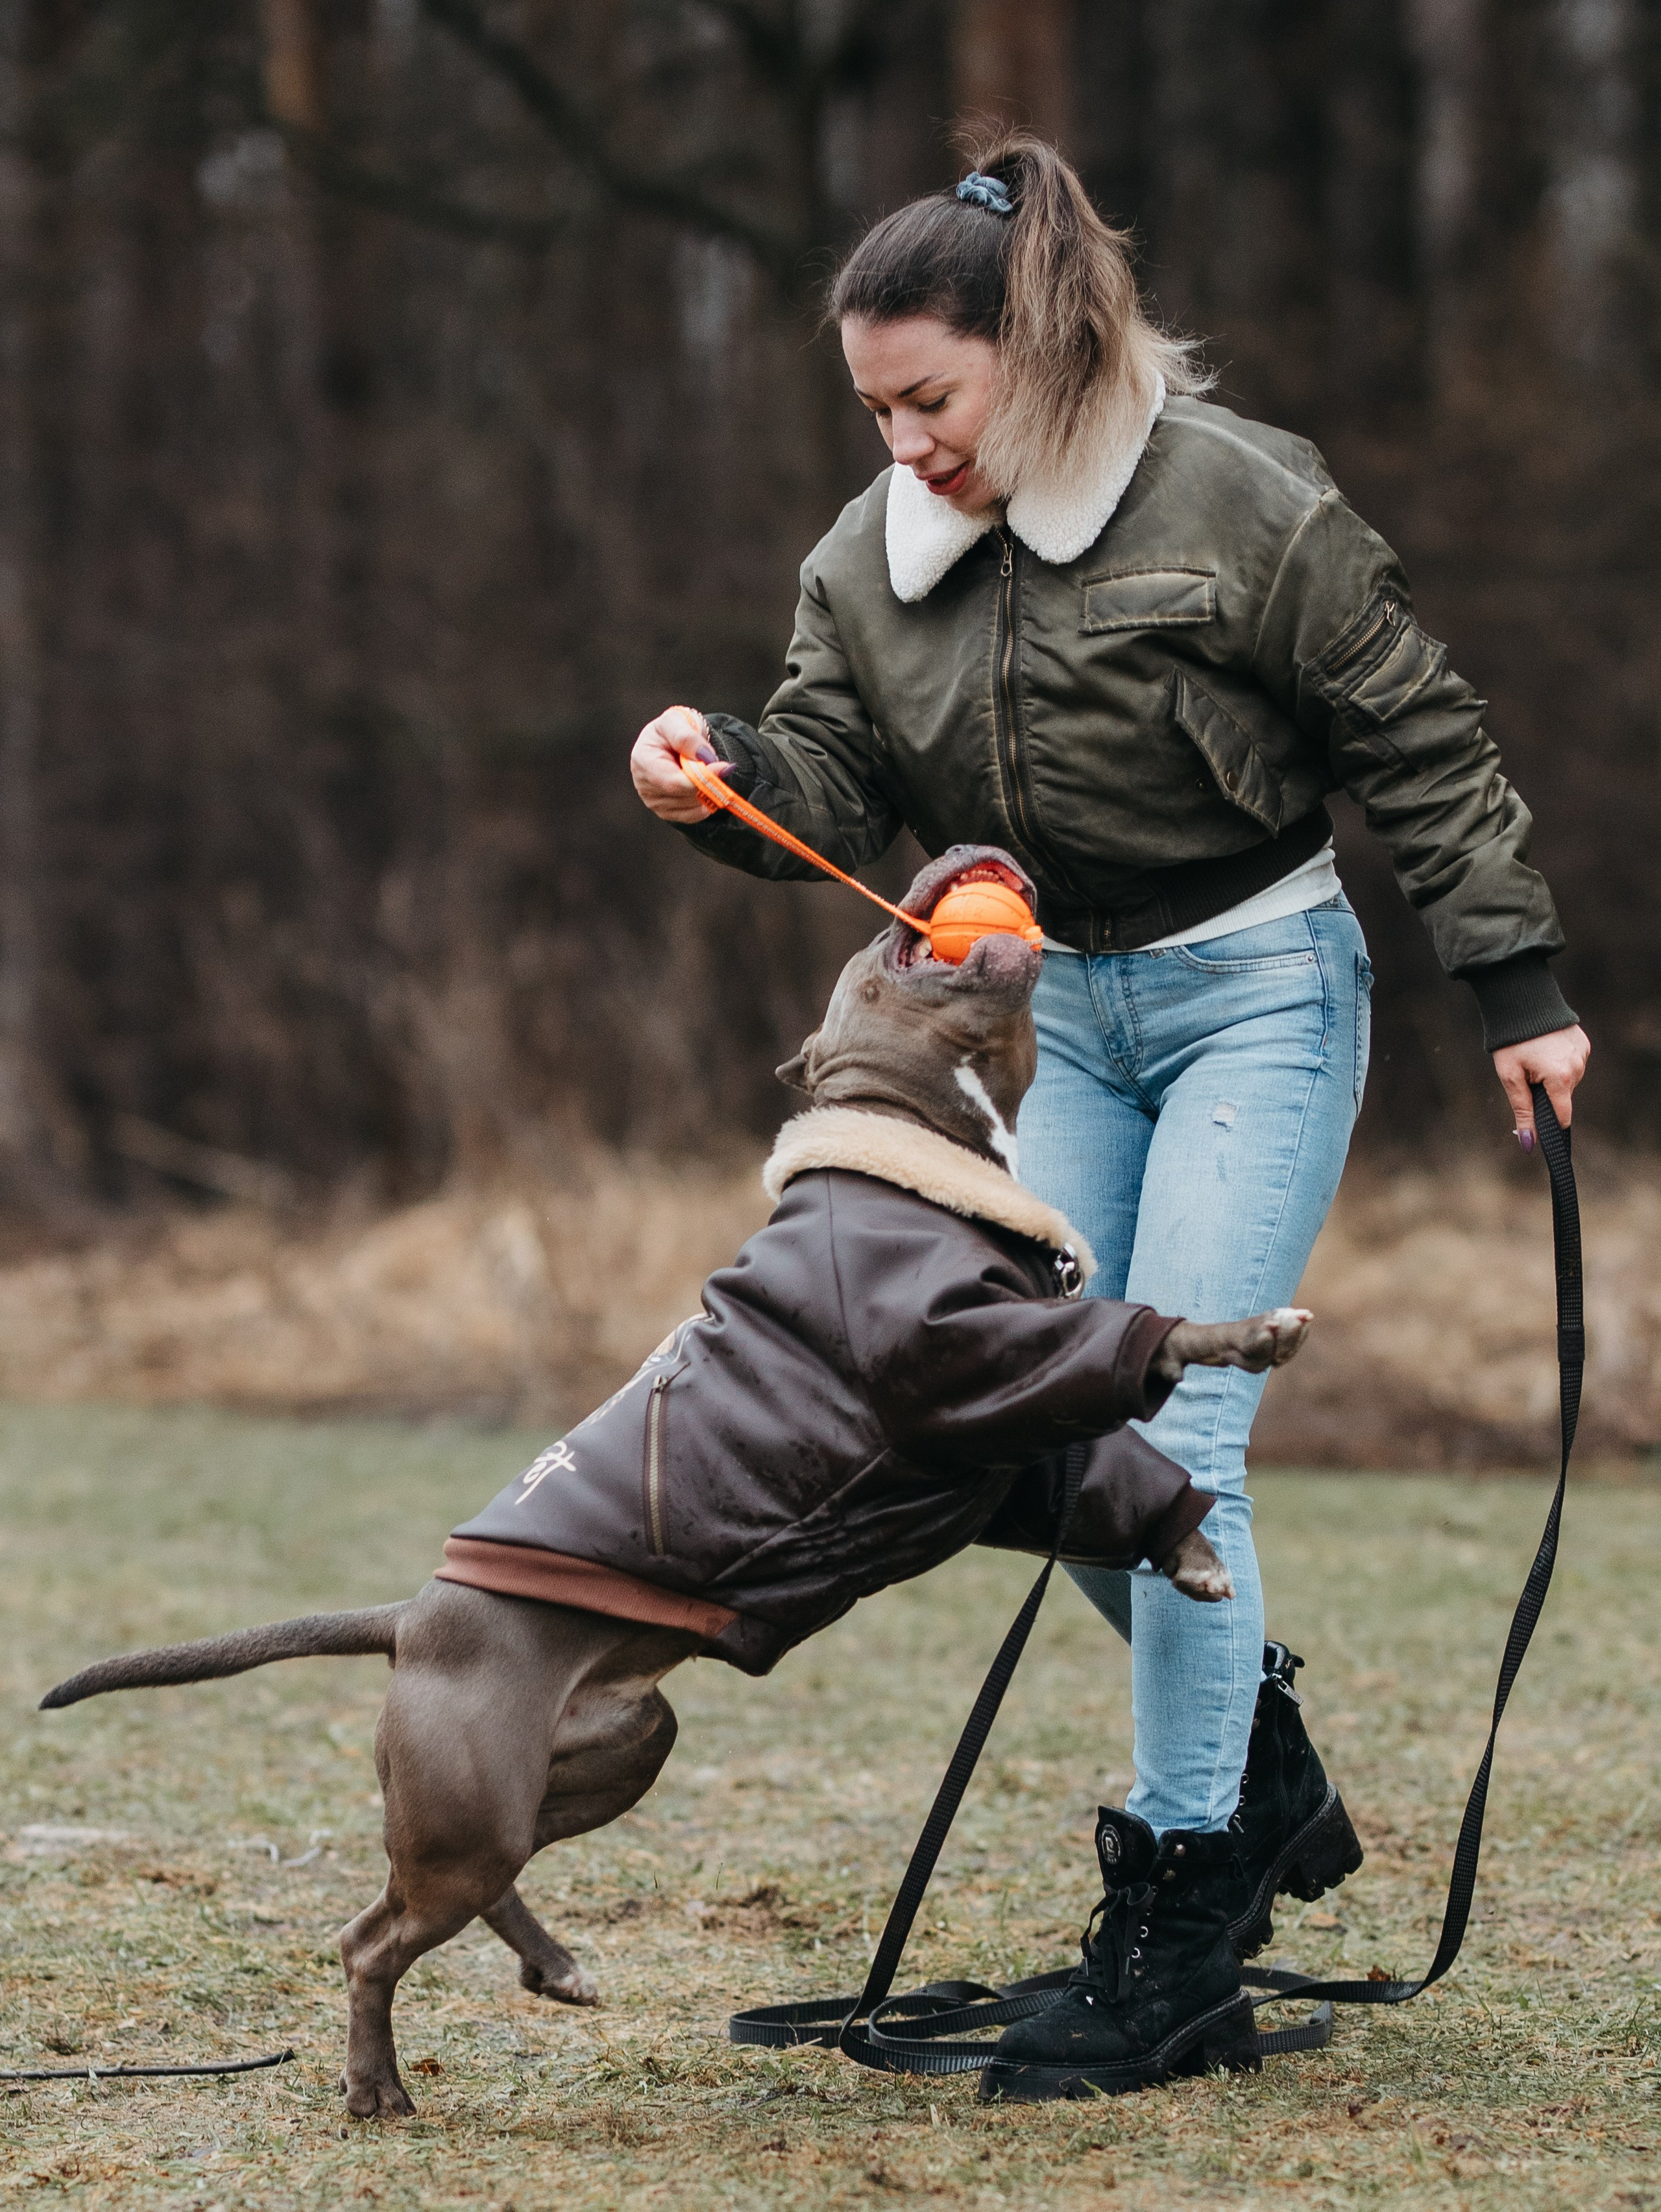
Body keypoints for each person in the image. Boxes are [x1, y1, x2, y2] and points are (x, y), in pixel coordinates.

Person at [629, 131, 1590, 2095]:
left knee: (1178, 1428)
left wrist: (1523, 992)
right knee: (1028, 1426)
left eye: (932, 398)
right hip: (1054, 1028)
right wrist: (718, 770)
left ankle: (1179, 1930)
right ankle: (1260, 1761)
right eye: (874, 407)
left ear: (1037, 346)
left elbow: (1420, 735)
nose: (902, 442)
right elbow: (828, 768)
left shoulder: (1241, 500)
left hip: (1258, 993)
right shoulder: (863, 559)